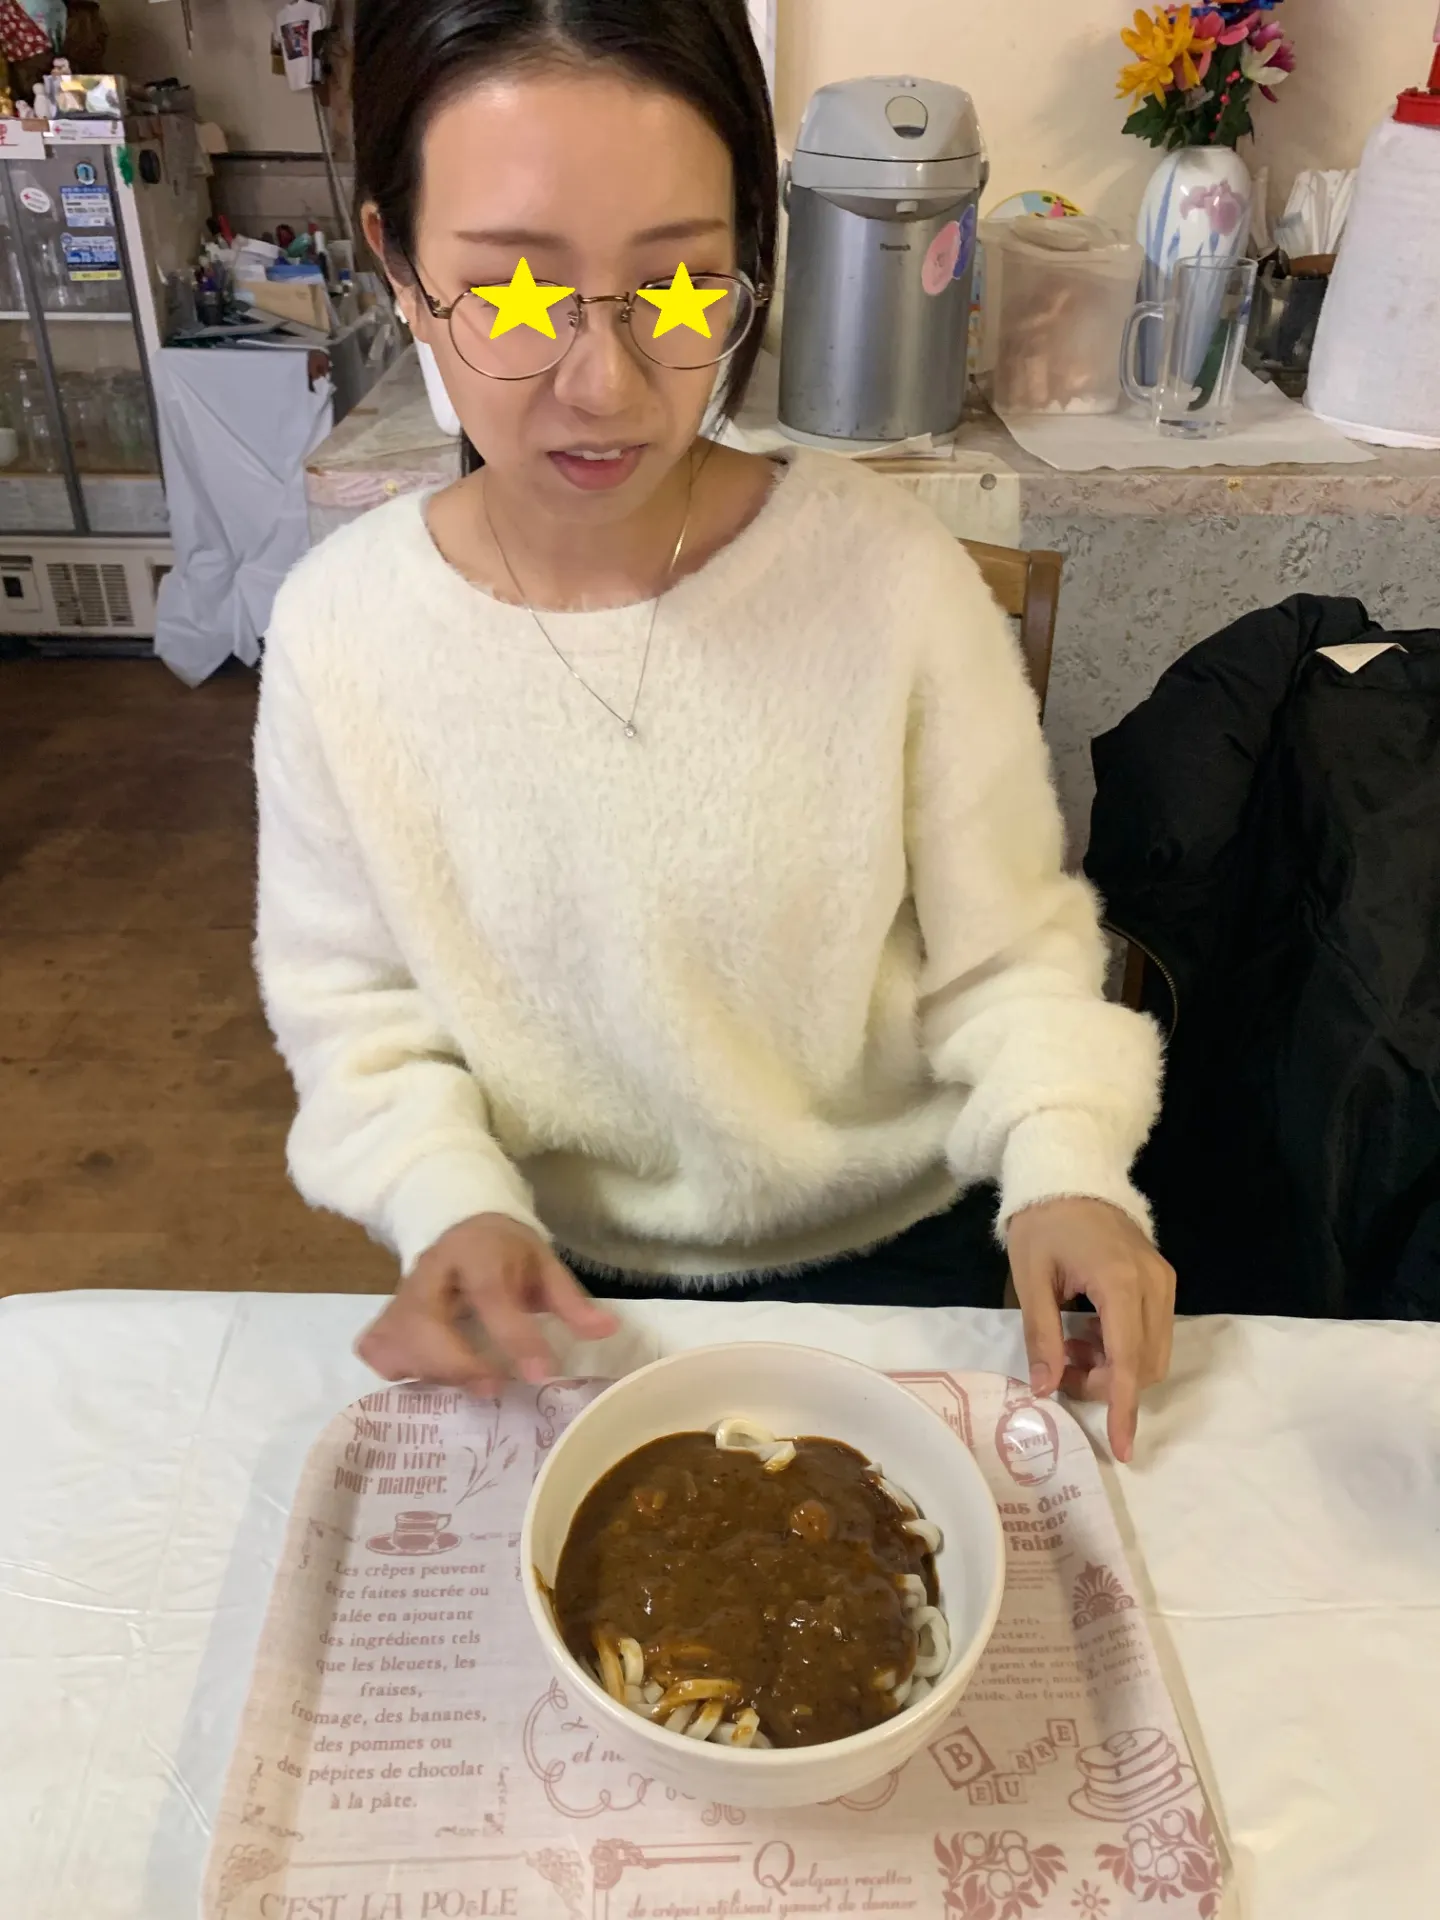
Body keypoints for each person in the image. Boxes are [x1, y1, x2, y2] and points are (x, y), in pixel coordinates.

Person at [254, 0, 1173, 1462]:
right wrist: (448, 1201)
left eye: (680, 287)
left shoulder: (890, 581)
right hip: (558, 1288)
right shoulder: (340, 633)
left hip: (906, 1263)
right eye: (511, 292)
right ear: (398, 265)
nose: (605, 385)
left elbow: (1010, 960)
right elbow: (357, 1016)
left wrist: (1065, 1167)